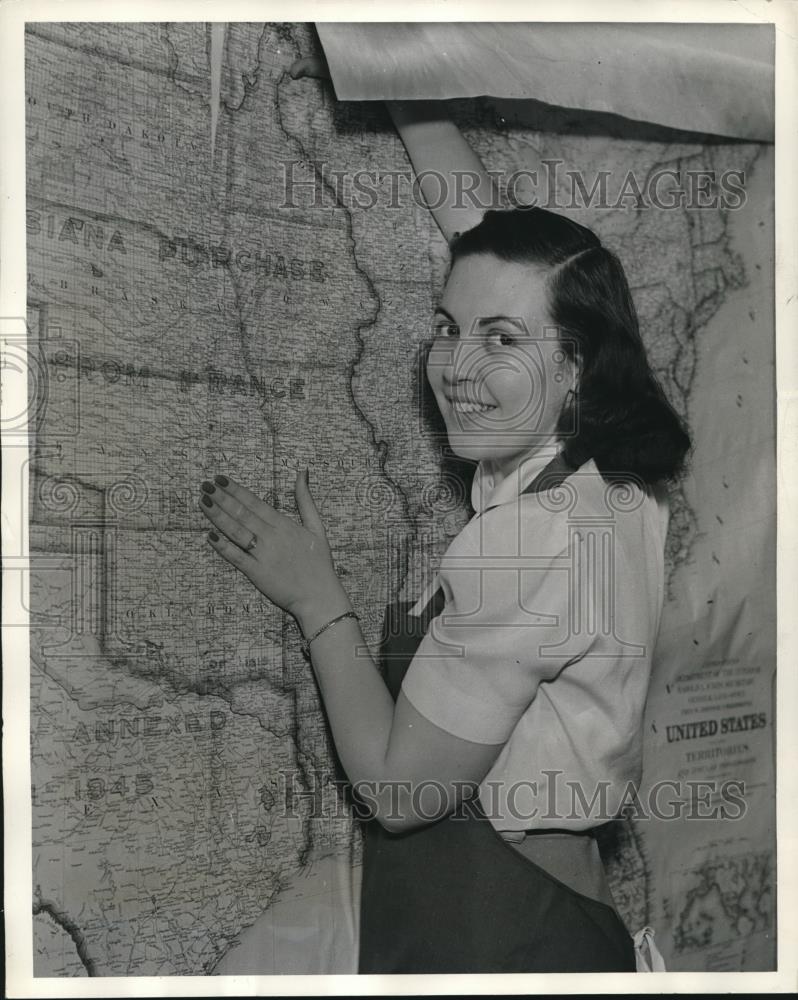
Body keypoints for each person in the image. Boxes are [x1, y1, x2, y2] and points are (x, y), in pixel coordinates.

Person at [198, 55, 691, 974]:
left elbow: (395, 790)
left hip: (500, 929)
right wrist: (394, 70)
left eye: (497, 340)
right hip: (522, 909)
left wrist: (318, 602)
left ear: (576, 365)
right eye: (446, 327)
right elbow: (490, 244)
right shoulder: (602, 472)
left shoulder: (536, 543)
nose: (456, 366)